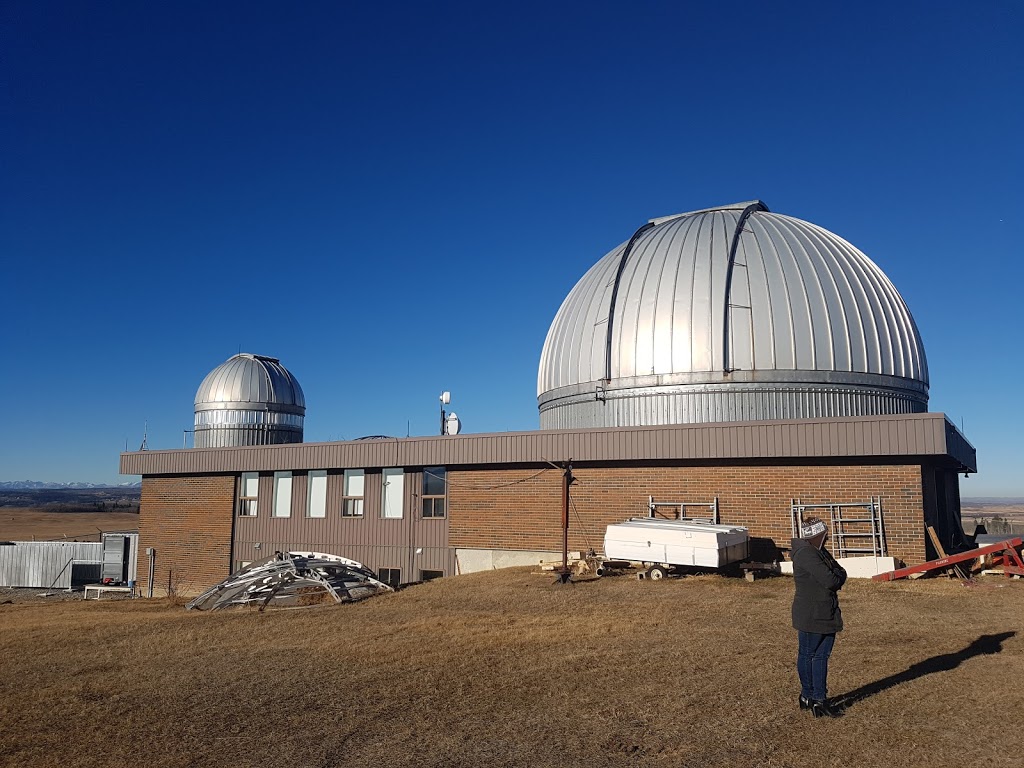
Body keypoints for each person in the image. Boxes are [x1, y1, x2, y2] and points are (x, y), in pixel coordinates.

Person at [791, 517, 847, 718]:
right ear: (816, 536)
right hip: (810, 614)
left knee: (821, 656)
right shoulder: (806, 554)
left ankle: (820, 699)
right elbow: (831, 579)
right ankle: (807, 696)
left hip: (827, 611)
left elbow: (841, 572)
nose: (828, 537)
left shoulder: (819, 551)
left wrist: (837, 575)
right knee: (807, 654)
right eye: (825, 534)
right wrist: (837, 576)